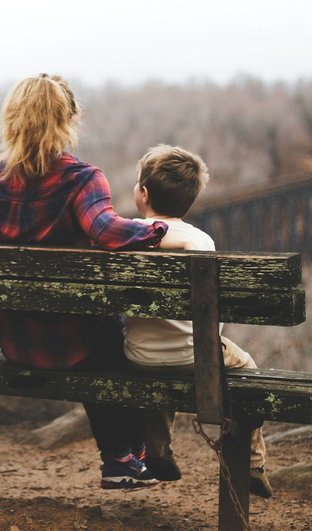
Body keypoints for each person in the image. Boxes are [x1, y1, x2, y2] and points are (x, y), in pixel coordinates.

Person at [0, 74, 169, 489]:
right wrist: (157, 229)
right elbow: (106, 231)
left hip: (16, 342)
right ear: (69, 120)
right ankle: (123, 457)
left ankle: (125, 458)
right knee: (115, 335)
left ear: (10, 120)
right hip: (79, 345)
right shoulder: (81, 179)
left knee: (103, 333)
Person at [123, 144, 273, 498]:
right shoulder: (201, 241)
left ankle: (157, 451)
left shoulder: (125, 235)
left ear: (143, 194)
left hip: (138, 356)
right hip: (196, 357)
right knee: (246, 368)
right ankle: (253, 462)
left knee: (160, 362)